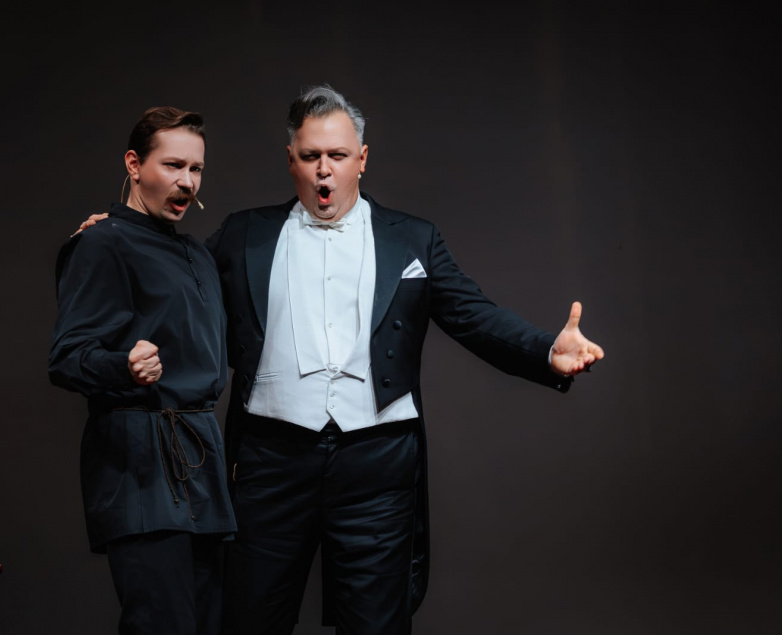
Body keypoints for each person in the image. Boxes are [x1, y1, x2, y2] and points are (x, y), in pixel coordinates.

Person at [203, 85, 605, 635]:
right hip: (270, 460)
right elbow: (180, 285)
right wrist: (120, 231)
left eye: (338, 155)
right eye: (311, 155)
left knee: (376, 624)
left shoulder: (413, 238)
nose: (324, 170)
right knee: (248, 619)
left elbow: (473, 315)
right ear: (290, 159)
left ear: (362, 159)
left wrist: (545, 350)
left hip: (378, 463)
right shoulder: (243, 233)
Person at [48, 106, 236, 635]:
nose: (187, 182)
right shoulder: (102, 242)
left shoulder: (197, 255)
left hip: (201, 461)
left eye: (196, 169)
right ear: (134, 164)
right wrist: (124, 367)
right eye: (173, 165)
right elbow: (66, 358)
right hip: (139, 464)